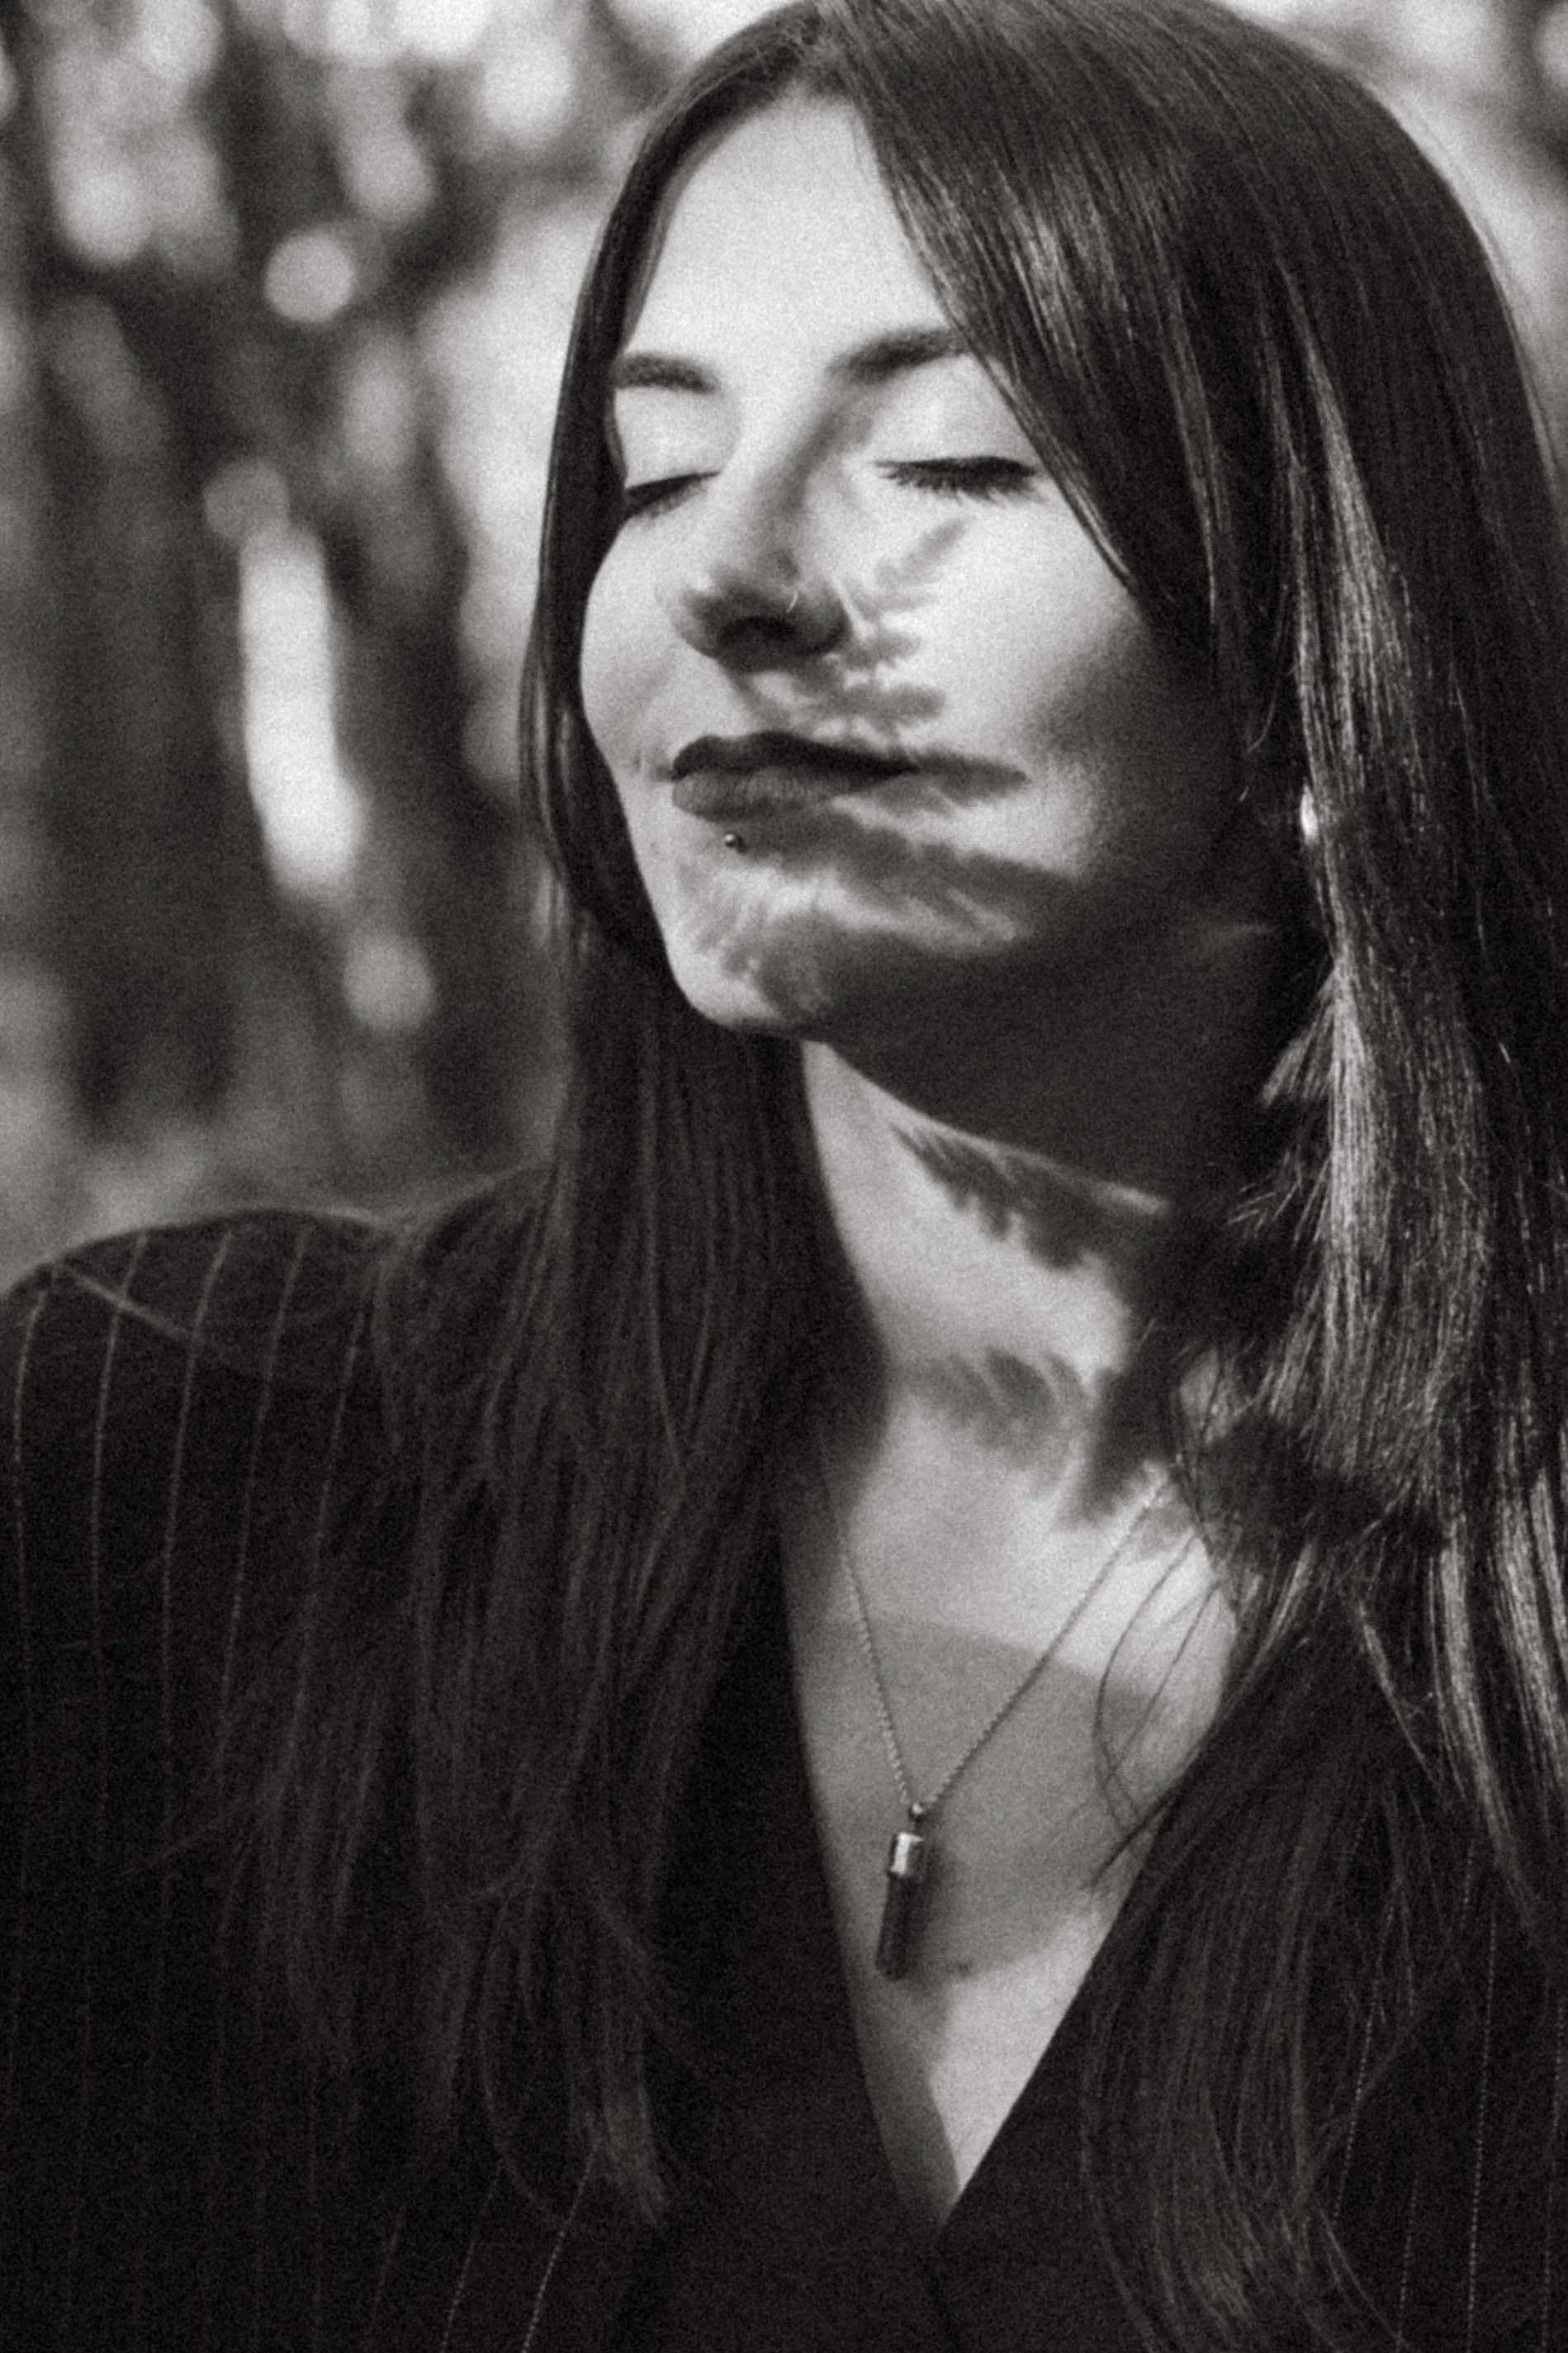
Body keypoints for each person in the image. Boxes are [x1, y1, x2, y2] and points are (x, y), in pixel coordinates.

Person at [5, 0, 1568, 2343]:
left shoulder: (1514, 1638)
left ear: (1319, 621)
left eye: (944, 462)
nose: (725, 575)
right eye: (645, 477)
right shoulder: (162, 1477)